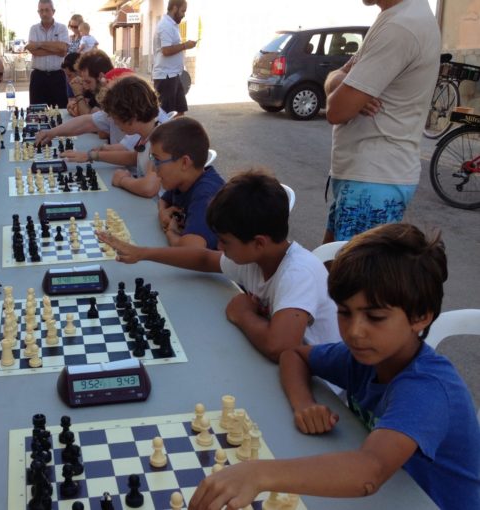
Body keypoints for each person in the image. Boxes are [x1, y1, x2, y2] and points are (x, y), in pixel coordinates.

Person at [189, 223, 480, 510]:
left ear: (420, 317)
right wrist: (303, 403)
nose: (354, 331)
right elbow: (294, 355)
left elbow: (369, 471)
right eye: (344, 313)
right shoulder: (364, 357)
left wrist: (258, 473)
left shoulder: (427, 389)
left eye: (375, 317)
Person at [98, 170, 341, 362]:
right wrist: (143, 253)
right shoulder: (255, 258)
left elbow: (279, 347)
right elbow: (203, 258)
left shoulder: (298, 273)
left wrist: (243, 314)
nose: (220, 248)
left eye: (225, 241)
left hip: (324, 389)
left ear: (258, 242)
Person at [322, 0, 440, 243]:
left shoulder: (400, 26)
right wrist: (341, 82)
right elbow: (336, 78)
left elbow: (336, 110)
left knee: (348, 277)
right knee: (328, 267)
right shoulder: (396, 16)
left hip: (372, 181)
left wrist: (345, 87)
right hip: (369, 178)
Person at [61, 75, 169, 198]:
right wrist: (91, 156)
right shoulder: (148, 132)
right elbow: (134, 157)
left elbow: (148, 188)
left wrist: (122, 180)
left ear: (131, 117)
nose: (115, 123)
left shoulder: (161, 139)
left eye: (116, 118)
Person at [153, 117, 225, 247]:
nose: (153, 167)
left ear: (184, 163)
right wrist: (162, 211)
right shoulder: (181, 181)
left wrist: (171, 233)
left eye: (157, 160)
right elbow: (163, 200)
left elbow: (191, 251)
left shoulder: (206, 194)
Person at [152, 0, 196, 115]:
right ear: (175, 8)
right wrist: (185, 45)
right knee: (166, 115)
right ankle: (164, 133)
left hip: (174, 75)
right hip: (165, 77)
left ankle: (177, 133)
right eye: (183, 11)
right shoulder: (165, 25)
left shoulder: (172, 25)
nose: (184, 14)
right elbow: (166, 50)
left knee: (180, 112)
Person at [25, 0, 69, 108]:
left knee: (60, 111)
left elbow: (63, 48)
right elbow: (32, 50)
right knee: (37, 112)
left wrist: (39, 44)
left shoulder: (62, 28)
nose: (44, 13)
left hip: (57, 76)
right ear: (38, 12)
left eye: (47, 10)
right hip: (38, 77)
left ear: (53, 11)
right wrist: (55, 49)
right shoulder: (34, 29)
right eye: (41, 10)